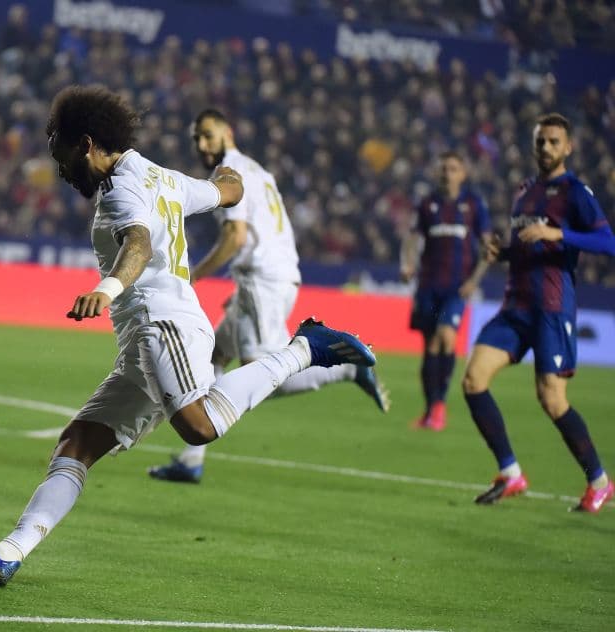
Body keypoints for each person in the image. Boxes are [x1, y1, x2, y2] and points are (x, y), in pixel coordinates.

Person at [0, 86, 375, 585]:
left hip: (162, 325)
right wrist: (231, 176)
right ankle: (6, 555)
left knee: (198, 426)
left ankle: (304, 349)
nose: (58, 167)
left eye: (59, 151)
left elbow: (139, 245)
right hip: (143, 342)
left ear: (86, 144)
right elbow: (226, 192)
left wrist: (106, 289)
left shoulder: (121, 190)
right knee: (77, 444)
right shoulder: (162, 177)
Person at [148, 109, 389, 483]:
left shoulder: (229, 172)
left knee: (262, 369)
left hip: (263, 281)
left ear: (227, 133)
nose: (202, 145)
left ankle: (347, 367)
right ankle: (191, 460)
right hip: (267, 277)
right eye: (196, 138)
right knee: (215, 355)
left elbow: (236, 237)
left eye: (208, 135)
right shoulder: (256, 169)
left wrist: (192, 276)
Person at [462, 112, 615, 513]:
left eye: (553, 141)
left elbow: (608, 242)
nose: (545, 147)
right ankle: (510, 472)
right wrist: (502, 252)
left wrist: (558, 232)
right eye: (540, 141)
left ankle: (599, 482)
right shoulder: (524, 191)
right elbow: (526, 247)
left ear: (568, 147)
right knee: (474, 380)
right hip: (515, 306)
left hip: (551, 308)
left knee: (552, 399)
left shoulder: (575, 192)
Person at [400, 151, 492, 431]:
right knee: (429, 346)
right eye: (443, 169)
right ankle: (429, 410)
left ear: (463, 174)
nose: (447, 174)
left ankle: (439, 406)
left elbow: (488, 247)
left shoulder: (473, 204)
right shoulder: (427, 204)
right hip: (428, 287)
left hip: (456, 288)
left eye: (453, 169)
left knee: (447, 337)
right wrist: (408, 264)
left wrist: (475, 280)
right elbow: (412, 238)